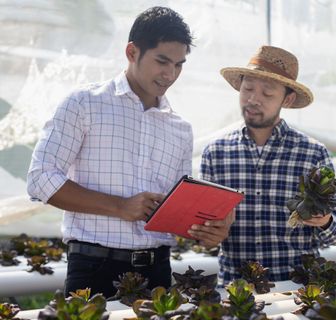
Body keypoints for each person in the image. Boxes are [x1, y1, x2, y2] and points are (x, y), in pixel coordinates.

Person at [27, 6, 204, 298]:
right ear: (132, 52)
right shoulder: (83, 103)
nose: (170, 74)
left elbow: (175, 208)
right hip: (94, 268)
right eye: (162, 61)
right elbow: (40, 179)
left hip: (158, 269)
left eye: (179, 64)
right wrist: (120, 206)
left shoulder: (181, 128)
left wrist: (206, 227)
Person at [191, 46, 336, 285]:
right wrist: (208, 236)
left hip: (298, 290)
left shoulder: (313, 153)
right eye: (248, 89)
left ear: (287, 98)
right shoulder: (216, 153)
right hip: (237, 291)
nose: (254, 99)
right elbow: (204, 231)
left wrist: (325, 221)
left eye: (267, 93)